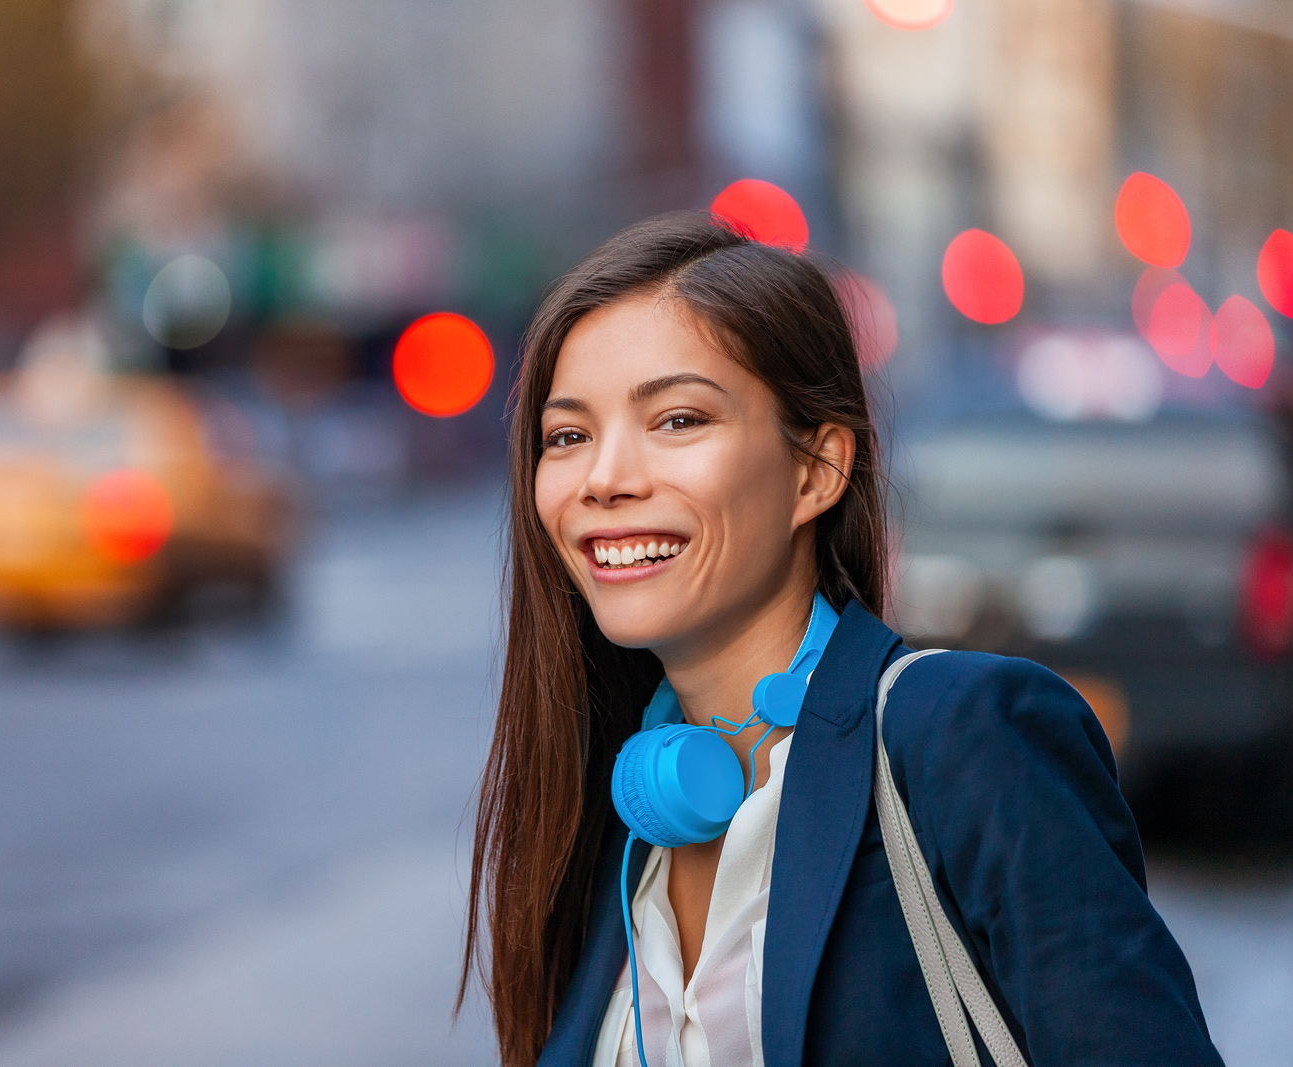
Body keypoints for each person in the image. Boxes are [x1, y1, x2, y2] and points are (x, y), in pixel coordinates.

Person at [461, 213, 1222, 1067]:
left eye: (677, 420)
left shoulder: (963, 737)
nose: (604, 478)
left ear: (817, 468)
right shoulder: (607, 826)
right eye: (568, 435)